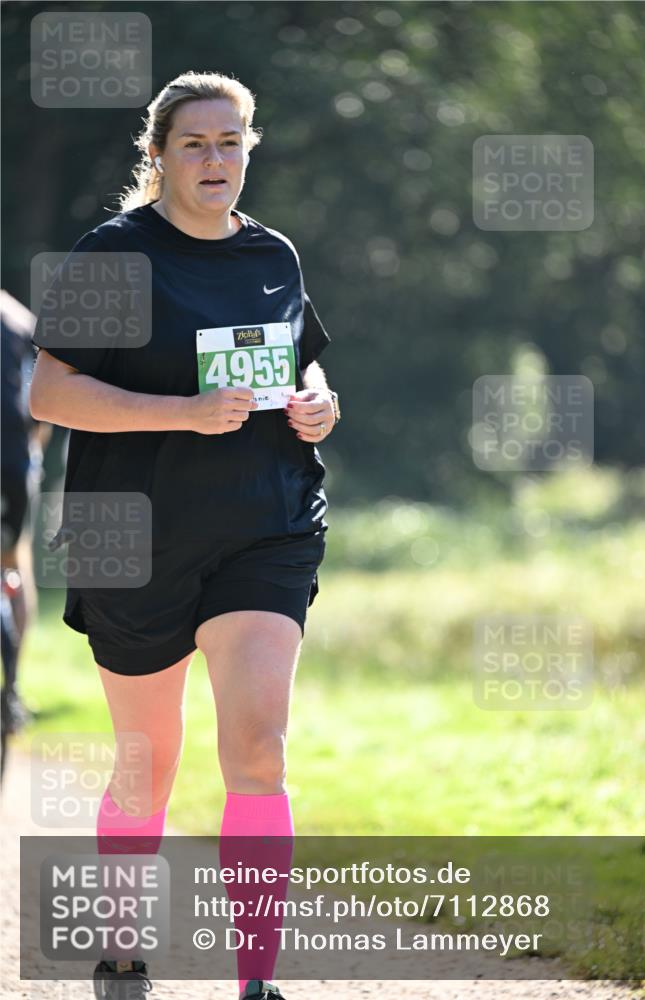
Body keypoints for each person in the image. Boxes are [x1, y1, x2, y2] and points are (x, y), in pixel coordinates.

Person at [29, 70, 340, 1000]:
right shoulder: (114, 255)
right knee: (146, 760)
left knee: (256, 749)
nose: (216, 159)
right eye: (195, 143)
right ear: (157, 155)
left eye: (231, 141)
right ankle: (123, 950)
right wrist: (182, 411)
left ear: (251, 148)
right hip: (133, 534)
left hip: (265, 524)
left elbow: (306, 365)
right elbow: (49, 392)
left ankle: (257, 981)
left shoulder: (273, 255)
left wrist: (321, 404)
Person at [1, 290, 50, 780]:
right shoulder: (19, 320)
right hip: (11, 471)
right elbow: (42, 413)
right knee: (14, 564)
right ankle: (11, 688)